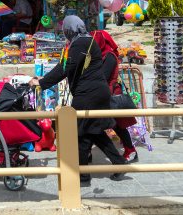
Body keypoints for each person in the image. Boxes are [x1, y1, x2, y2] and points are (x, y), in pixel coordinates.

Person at [29, 16, 129, 186]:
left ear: (70, 29)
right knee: (94, 131)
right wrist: (43, 78)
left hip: (89, 95)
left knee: (79, 134)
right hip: (95, 93)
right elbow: (65, 64)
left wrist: (42, 83)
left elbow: (65, 68)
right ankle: (119, 164)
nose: (63, 31)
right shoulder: (83, 41)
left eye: (64, 29)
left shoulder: (81, 43)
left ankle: (82, 177)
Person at [91, 30, 138, 162]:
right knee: (92, 123)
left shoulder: (109, 56)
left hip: (111, 93)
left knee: (118, 125)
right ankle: (87, 151)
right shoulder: (100, 55)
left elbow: (103, 76)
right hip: (102, 93)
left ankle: (131, 150)